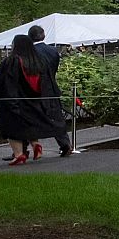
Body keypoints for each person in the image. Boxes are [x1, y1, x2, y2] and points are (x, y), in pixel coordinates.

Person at [0, 34, 67, 165]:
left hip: (15, 101)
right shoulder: (38, 62)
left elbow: (1, 81)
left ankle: (19, 155)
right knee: (29, 124)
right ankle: (35, 144)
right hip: (33, 100)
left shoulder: (12, 61)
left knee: (12, 128)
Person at [29, 24, 74, 156]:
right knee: (57, 118)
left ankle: (27, 147)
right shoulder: (53, 51)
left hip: (36, 89)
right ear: (44, 35)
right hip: (51, 87)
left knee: (30, 116)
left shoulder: (31, 52)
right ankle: (65, 144)